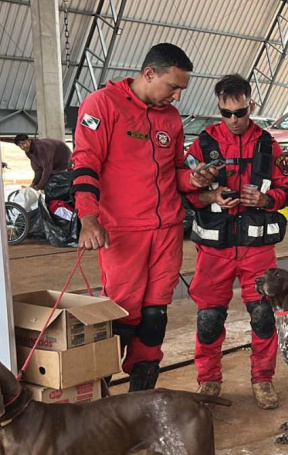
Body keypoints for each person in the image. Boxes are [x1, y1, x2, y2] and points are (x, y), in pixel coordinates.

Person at [71, 43, 216, 392]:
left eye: (182, 88)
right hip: (123, 231)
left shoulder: (170, 118)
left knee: (155, 314)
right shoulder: (102, 105)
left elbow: (177, 170)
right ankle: (100, 396)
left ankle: (142, 396)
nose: (178, 96)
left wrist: (194, 179)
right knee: (121, 313)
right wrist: (89, 219)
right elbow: (85, 163)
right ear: (149, 74)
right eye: (173, 86)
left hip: (166, 229)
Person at [180, 74, 288, 409]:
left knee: (263, 315)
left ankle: (263, 379)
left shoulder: (268, 145)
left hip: (257, 250)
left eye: (240, 113)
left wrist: (266, 200)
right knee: (209, 318)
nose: (233, 121)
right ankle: (209, 381)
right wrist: (209, 193)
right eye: (226, 113)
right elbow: (184, 188)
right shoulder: (203, 144)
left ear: (251, 107)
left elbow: (287, 191)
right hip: (214, 250)